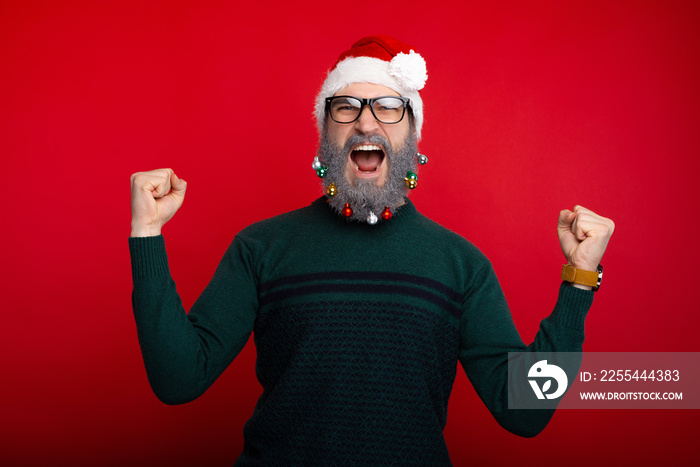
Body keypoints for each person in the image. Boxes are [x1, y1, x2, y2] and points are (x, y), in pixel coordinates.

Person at [129, 36, 614, 465]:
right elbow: (178, 379)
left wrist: (579, 280)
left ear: (411, 134)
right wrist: (147, 235)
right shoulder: (260, 248)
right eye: (346, 107)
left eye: (387, 107)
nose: (366, 122)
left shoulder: (460, 265)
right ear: (326, 135)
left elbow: (524, 411)